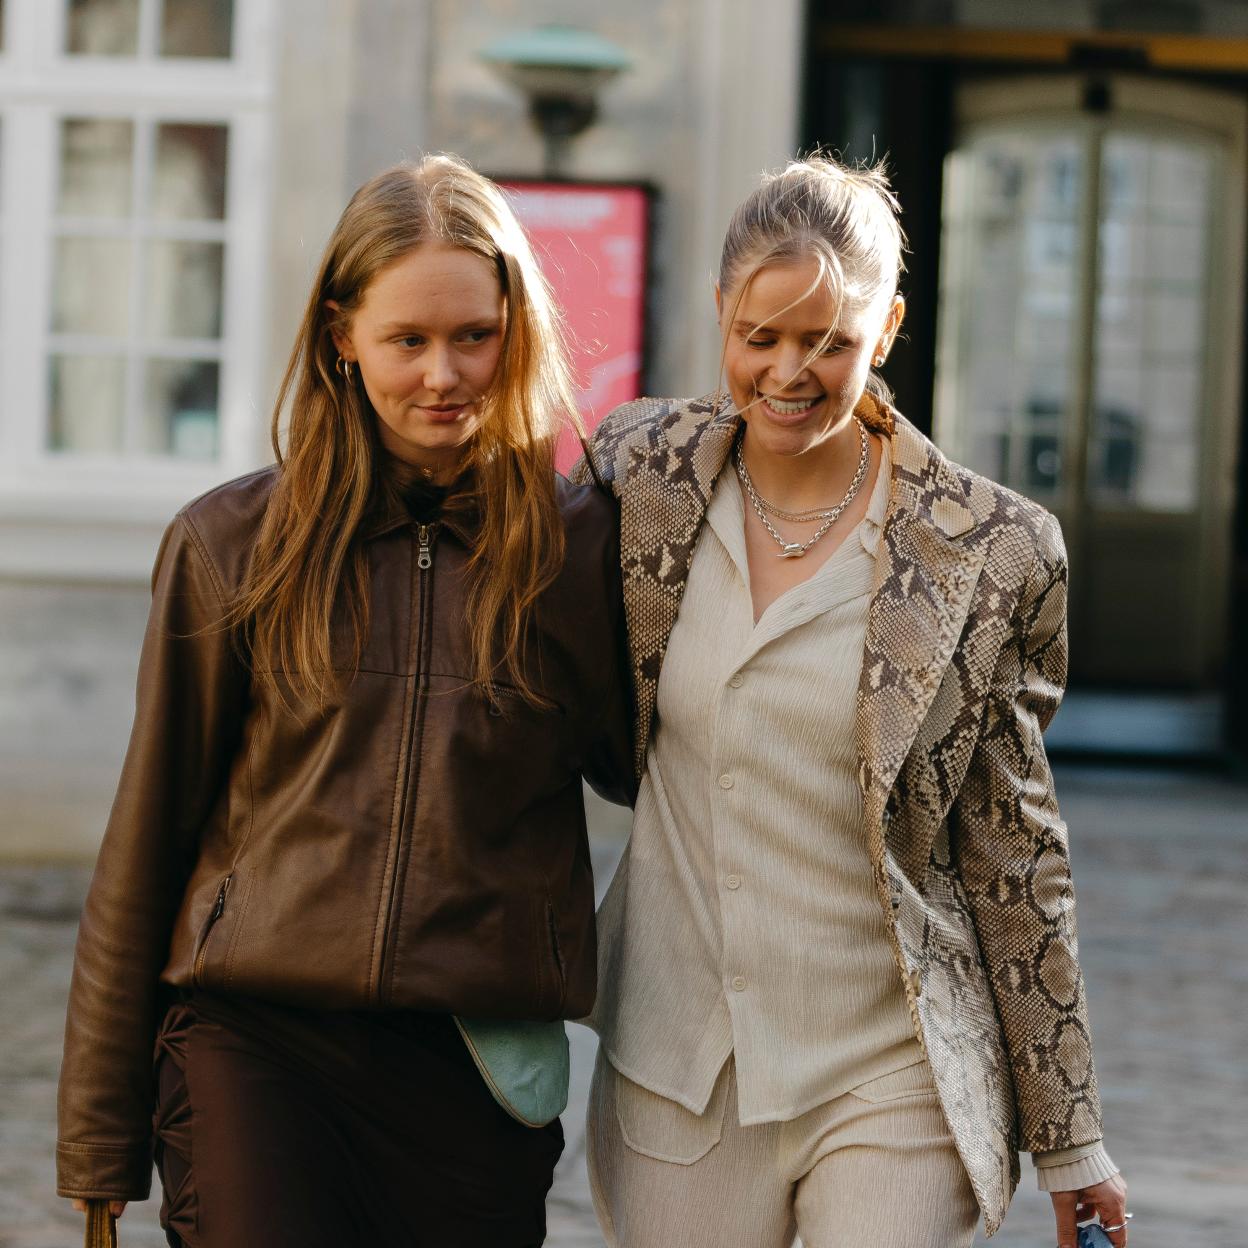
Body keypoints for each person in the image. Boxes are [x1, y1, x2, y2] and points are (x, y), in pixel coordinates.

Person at [56, 154, 633, 1247]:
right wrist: (97, 1142)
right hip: (253, 1046)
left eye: (474, 334)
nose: (443, 374)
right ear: (341, 336)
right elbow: (144, 848)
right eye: (406, 341)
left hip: (472, 1071)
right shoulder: (230, 547)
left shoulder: (579, 550)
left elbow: (653, 766)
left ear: (515, 326)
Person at [574, 155, 1130, 1248]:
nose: (791, 371)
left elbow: (1014, 849)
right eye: (763, 337)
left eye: (830, 340)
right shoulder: (638, 472)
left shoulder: (994, 551)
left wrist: (1070, 1138)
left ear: (887, 329)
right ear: (722, 317)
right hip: (678, 1061)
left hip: (891, 1065)